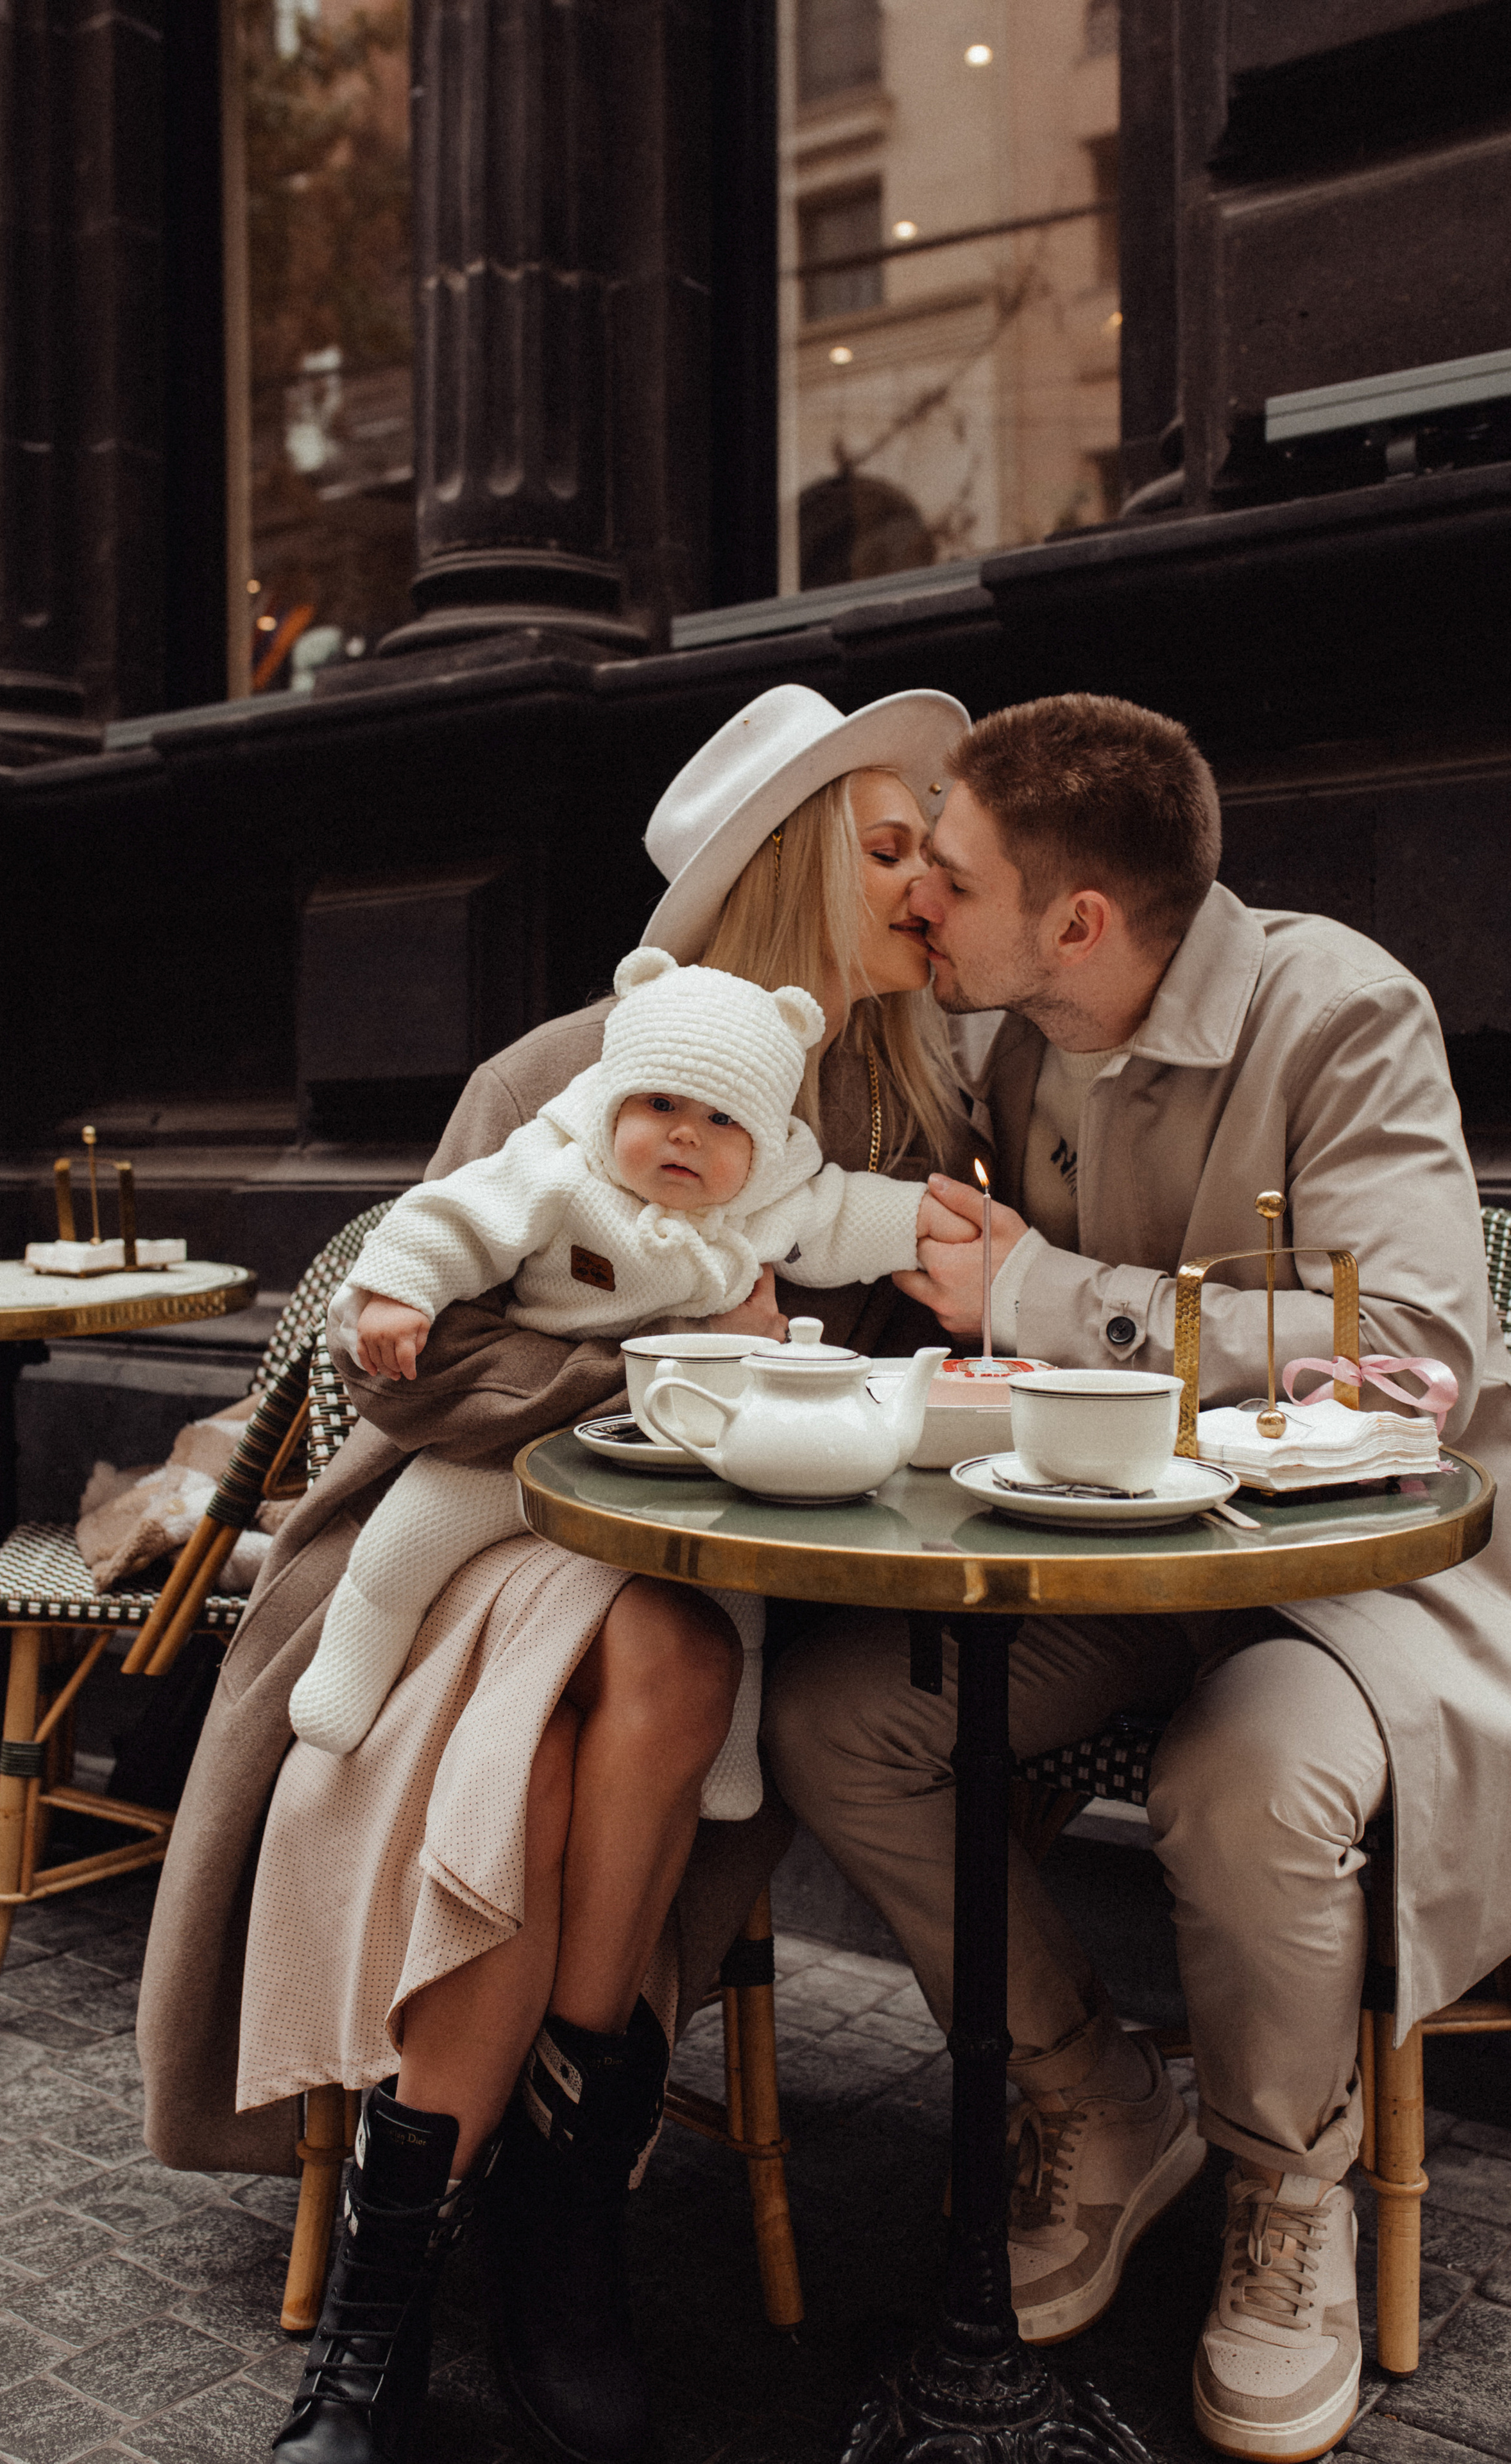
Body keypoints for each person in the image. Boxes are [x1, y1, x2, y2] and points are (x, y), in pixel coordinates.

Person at [134, 681, 978, 2464]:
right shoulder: (565, 1072)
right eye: (890, 849)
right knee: (548, 1735)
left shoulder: (896, 1110)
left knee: (670, 1652)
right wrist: (672, 1362)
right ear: (785, 866)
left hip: (715, 1569)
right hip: (473, 1525)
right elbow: (418, 1370)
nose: (929, 888)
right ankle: (484, 2251)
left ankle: (534, 2207)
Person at [764, 691, 1511, 2462]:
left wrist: (1042, 1295)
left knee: (1243, 1778)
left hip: (1344, 1574)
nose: (917, 900)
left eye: (950, 877)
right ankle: (1093, 2093)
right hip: (1106, 1556)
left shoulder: (1340, 1010)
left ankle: (1283, 2192)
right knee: (837, 1718)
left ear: (1079, 919)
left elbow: (1416, 1352)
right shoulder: (1003, 1039)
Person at [287, 946, 962, 1767]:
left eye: (723, 1121)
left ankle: (727, 1757)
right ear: (614, 1100)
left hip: (694, 1441)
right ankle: (348, 1668)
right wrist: (401, 1291)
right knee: (411, 1535)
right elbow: (455, 1218)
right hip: (539, 1432)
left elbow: (846, 1217)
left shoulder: (769, 1199)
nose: (686, 1134)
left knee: (732, 1591)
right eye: (661, 1103)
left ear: (760, 1144)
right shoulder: (560, 1170)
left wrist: (924, 1223)